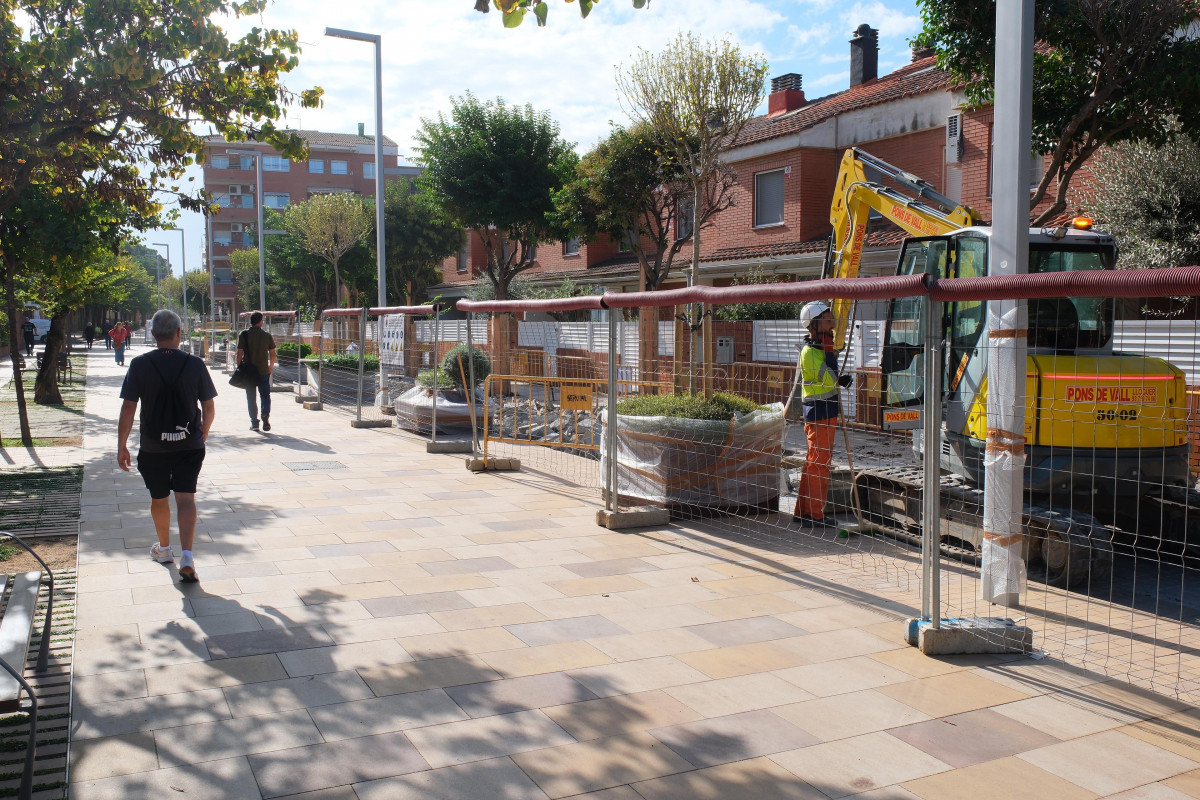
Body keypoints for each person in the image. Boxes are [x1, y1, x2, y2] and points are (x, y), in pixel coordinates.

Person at [117, 309, 217, 582]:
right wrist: (203, 434)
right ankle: (187, 555)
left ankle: (164, 549)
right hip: (189, 445)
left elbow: (129, 407)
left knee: (158, 498)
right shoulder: (195, 364)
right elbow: (208, 407)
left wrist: (122, 445)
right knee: (186, 497)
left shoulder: (139, 364)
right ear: (178, 333)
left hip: (153, 446)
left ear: (152, 334)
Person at [792, 301, 853, 526]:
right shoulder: (810, 352)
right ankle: (815, 515)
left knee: (814, 462)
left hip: (825, 412)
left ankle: (803, 512)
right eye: (828, 321)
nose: (833, 325)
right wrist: (832, 359)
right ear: (814, 325)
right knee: (820, 464)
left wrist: (839, 376)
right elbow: (827, 377)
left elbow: (830, 378)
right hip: (819, 414)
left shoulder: (819, 349)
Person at [236, 311, 277, 431]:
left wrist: (239, 367)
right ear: (260, 322)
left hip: (249, 372)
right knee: (265, 395)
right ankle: (265, 414)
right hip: (263, 370)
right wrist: (270, 367)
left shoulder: (244, 334)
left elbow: (239, 353)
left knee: (251, 397)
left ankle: (254, 423)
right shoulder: (267, 335)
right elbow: (273, 354)